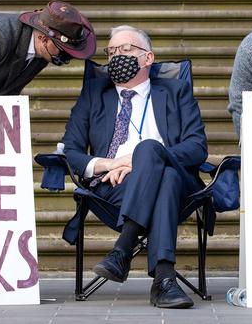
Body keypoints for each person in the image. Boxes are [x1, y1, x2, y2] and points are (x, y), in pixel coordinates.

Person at [61, 25, 207, 309]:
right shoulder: (93, 93)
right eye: (112, 51)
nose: (117, 57)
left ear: (148, 58)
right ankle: (164, 281)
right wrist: (111, 163)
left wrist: (139, 158)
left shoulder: (176, 91)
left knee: (152, 152)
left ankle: (122, 250)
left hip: (180, 182)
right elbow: (70, 150)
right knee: (162, 175)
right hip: (114, 184)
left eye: (126, 50)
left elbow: (197, 147)